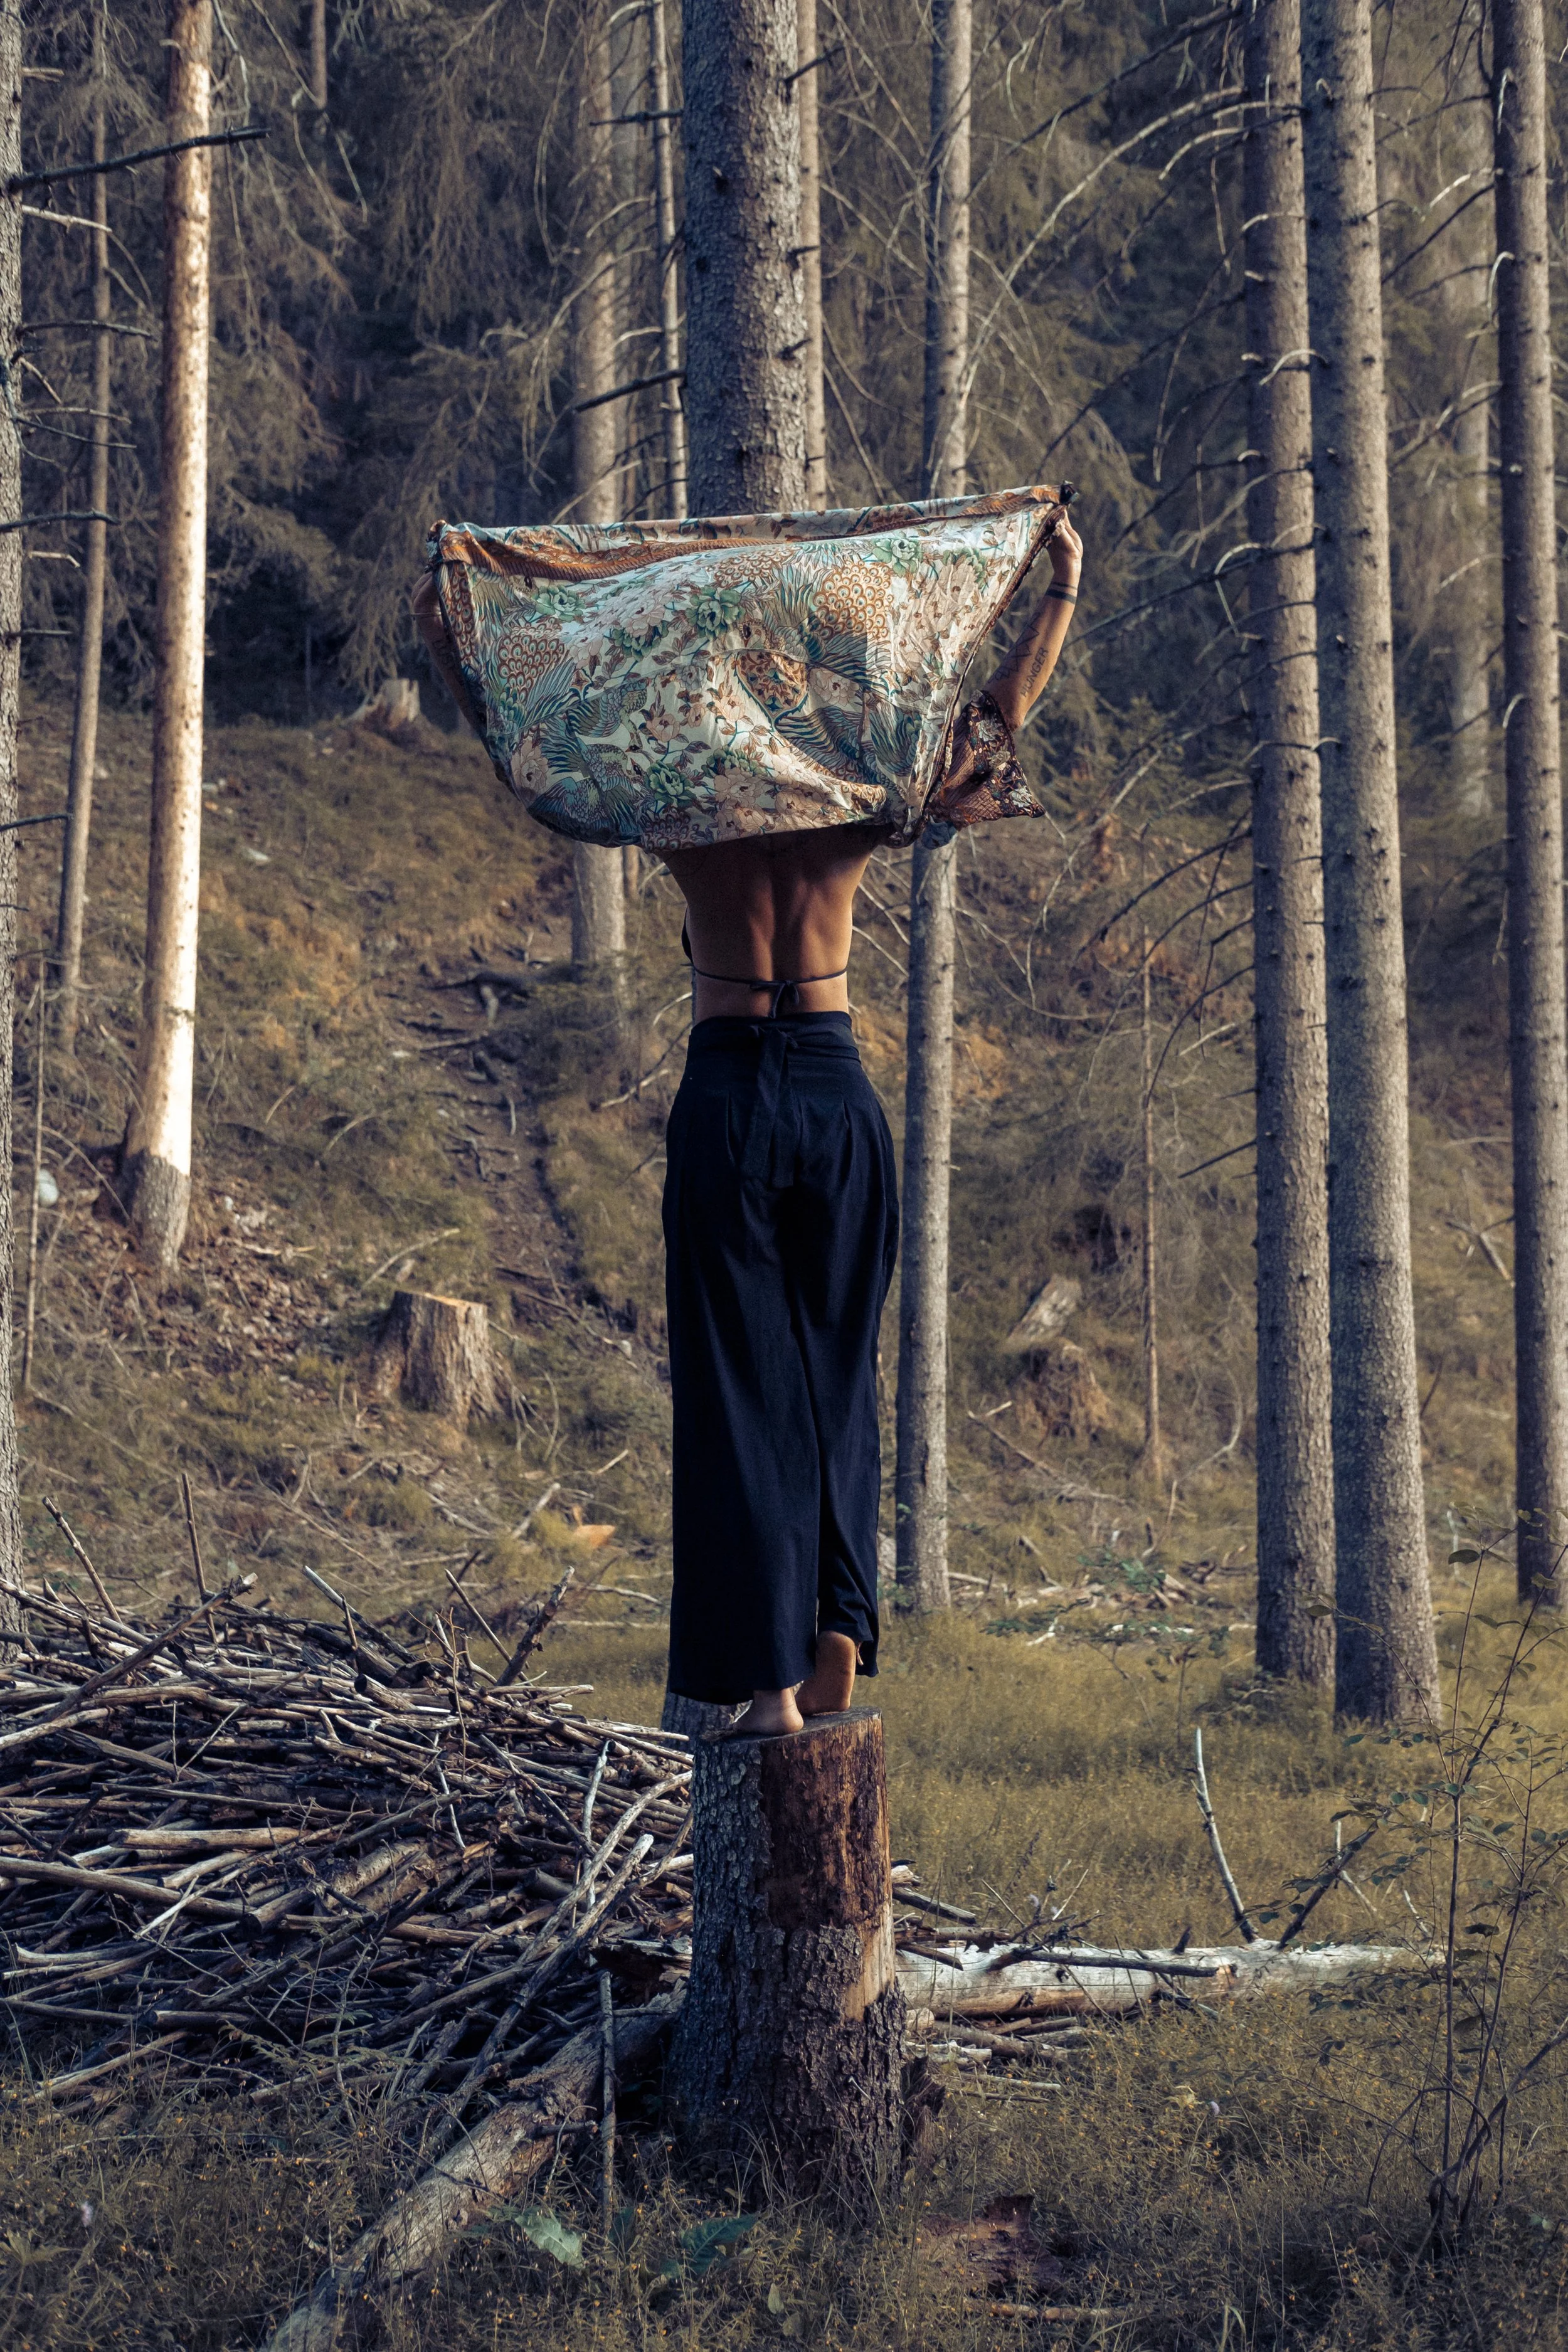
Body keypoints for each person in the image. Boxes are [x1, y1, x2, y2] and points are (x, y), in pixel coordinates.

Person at [415, 492, 1083, 1736]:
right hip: (833, 1087)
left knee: (736, 1390)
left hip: (727, 1088)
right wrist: (1059, 589)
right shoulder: (857, 792)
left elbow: (524, 742)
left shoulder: (679, 800)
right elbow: (996, 715)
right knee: (837, 1375)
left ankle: (767, 1687)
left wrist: (447, 623)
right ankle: (836, 1633)